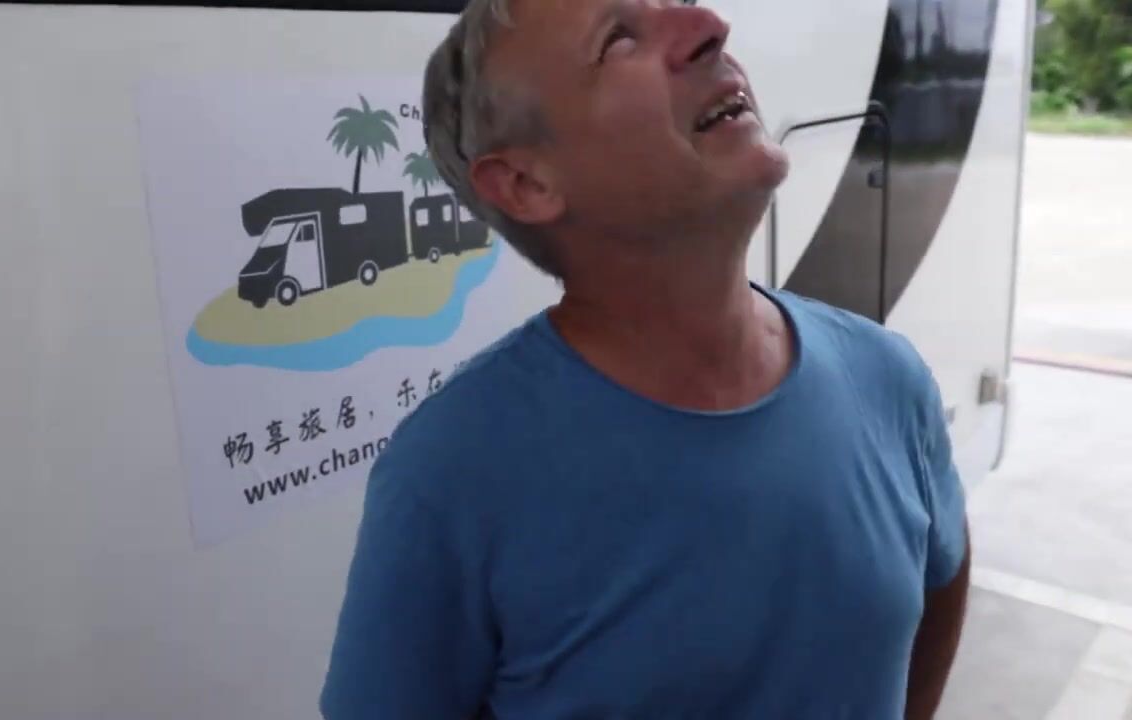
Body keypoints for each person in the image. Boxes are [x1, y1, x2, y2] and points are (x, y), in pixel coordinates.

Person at [321, 0, 970, 718]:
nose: (710, 27)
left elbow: (941, 577)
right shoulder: (452, 472)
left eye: (681, 3)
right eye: (618, 40)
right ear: (528, 184)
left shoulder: (888, 378)